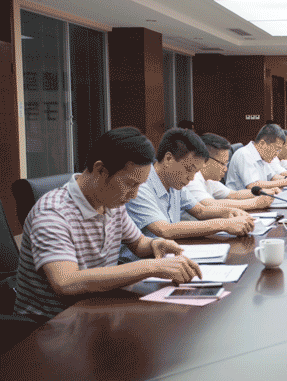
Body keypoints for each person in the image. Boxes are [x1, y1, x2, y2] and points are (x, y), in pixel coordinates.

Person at [13, 127, 203, 321]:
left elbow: (138, 243)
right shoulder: (52, 213)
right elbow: (66, 282)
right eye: (130, 184)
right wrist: (151, 267)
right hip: (52, 326)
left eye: (139, 185)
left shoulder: (111, 204)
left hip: (97, 311)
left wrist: (155, 244)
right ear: (100, 170)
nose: (134, 195)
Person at [121, 128, 254, 262]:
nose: (191, 178)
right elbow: (164, 230)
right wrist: (223, 224)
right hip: (137, 263)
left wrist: (229, 212)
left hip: (167, 257)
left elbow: (200, 211)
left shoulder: (174, 182)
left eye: (195, 172)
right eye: (189, 170)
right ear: (168, 159)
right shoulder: (139, 184)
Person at [181, 133, 274, 220]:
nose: (226, 169)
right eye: (223, 164)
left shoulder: (210, 179)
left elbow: (234, 195)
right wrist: (254, 203)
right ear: (206, 160)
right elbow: (209, 205)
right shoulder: (192, 178)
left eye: (226, 164)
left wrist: (262, 192)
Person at [226, 124, 287, 191]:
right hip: (240, 201)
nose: (277, 154)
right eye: (276, 149)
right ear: (263, 144)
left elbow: (273, 176)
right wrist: (285, 182)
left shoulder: (262, 156)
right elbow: (253, 185)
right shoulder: (244, 154)